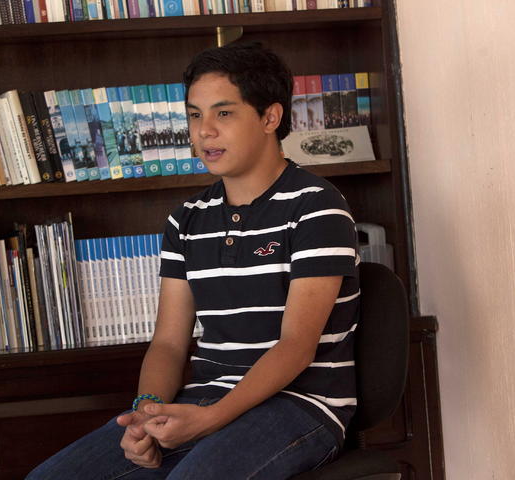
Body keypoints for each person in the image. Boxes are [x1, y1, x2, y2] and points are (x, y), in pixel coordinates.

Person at [26, 42, 360, 480]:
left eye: (224, 113)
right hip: (202, 400)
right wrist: (146, 414)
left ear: (269, 118)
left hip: (301, 406)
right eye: (194, 115)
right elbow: (168, 343)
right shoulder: (186, 220)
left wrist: (210, 420)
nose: (204, 132)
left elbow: (296, 347)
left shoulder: (317, 207)